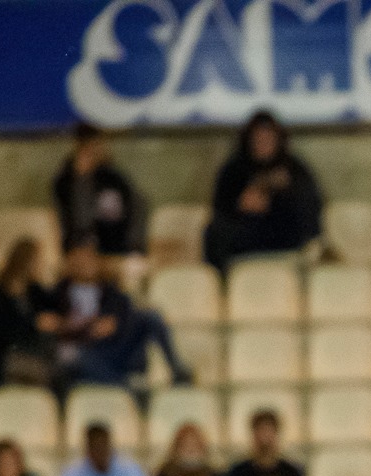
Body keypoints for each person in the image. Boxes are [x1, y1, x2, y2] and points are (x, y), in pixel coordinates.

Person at [38, 237, 188, 391]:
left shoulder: (110, 290)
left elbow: (120, 318)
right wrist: (80, 326)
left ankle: (177, 370)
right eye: (78, 259)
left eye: (88, 258)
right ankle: (127, 388)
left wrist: (113, 323)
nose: (84, 264)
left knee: (151, 316)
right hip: (83, 350)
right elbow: (49, 323)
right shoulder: (56, 294)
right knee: (71, 356)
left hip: (113, 347)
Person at [203, 110, 323, 272]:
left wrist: (279, 198)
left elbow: (310, 211)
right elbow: (220, 208)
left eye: (268, 139)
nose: (263, 144)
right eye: (258, 140)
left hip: (284, 236)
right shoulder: (233, 170)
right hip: (244, 238)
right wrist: (241, 205)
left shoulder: (294, 169)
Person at [52, 124, 145, 262]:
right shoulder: (66, 181)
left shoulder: (114, 178)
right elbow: (77, 221)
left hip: (118, 251)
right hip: (81, 253)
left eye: (99, 144)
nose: (96, 151)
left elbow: (137, 206)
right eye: (89, 147)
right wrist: (82, 179)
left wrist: (135, 248)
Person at [0, 238, 54, 396]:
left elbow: (55, 309)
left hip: (34, 353)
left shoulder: (35, 292)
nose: (41, 265)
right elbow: (1, 332)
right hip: (5, 358)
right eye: (37, 261)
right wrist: (34, 324)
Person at [212, 409, 306, 476]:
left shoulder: (290, 472)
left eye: (269, 431)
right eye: (261, 431)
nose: (264, 438)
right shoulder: (238, 473)